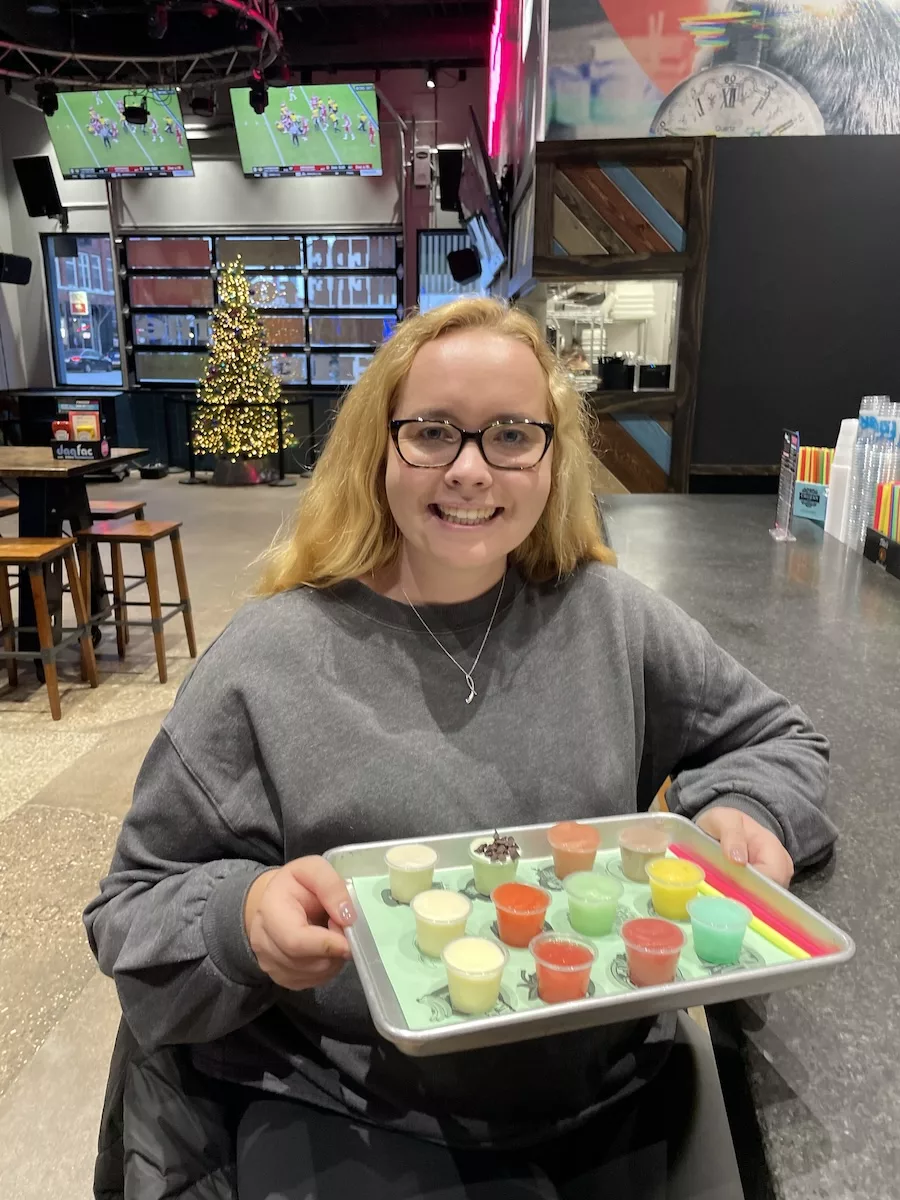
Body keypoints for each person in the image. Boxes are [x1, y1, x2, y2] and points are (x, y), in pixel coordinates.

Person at [85, 298, 836, 1200]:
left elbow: (774, 735)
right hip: (352, 1105)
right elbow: (132, 907)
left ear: (552, 460)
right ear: (377, 448)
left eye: (513, 435)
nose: (472, 470)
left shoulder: (608, 617)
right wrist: (242, 920)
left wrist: (744, 808)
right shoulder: (268, 661)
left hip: (602, 1092)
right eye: (433, 432)